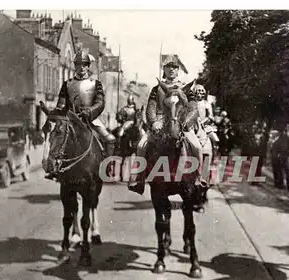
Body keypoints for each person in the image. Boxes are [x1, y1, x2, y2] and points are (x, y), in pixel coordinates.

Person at [127, 56, 206, 195]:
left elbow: (193, 108)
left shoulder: (187, 88)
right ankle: (139, 179)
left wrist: (186, 123)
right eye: (168, 67)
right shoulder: (157, 88)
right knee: (141, 145)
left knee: (197, 146)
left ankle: (199, 177)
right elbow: (151, 107)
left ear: (178, 70)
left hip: (181, 124)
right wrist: (154, 121)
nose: (171, 70)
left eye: (174, 67)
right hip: (160, 124)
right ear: (164, 69)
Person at [45, 49, 116, 179]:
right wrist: (55, 111)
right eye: (78, 64)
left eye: (84, 64)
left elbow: (100, 103)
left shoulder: (95, 84)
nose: (81, 67)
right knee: (57, 139)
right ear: (75, 66)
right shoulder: (67, 84)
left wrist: (89, 112)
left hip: (90, 119)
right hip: (70, 120)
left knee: (109, 139)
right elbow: (61, 103)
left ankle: (108, 167)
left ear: (88, 66)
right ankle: (54, 167)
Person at [193, 84, 219, 153]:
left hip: (205, 126)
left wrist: (203, 122)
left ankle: (214, 155)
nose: (200, 93)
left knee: (215, 139)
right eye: (198, 91)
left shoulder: (207, 104)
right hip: (193, 126)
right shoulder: (191, 103)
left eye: (201, 91)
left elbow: (210, 116)